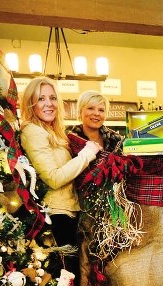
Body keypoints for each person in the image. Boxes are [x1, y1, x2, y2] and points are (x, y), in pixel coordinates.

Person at [19, 77, 101, 254]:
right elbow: (53, 178)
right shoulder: (33, 131)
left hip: (68, 212)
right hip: (56, 215)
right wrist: (87, 154)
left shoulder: (53, 131)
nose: (49, 103)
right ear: (30, 103)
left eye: (53, 98)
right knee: (67, 276)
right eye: (41, 98)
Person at [69, 90, 124, 154]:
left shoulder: (118, 141)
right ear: (80, 111)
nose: (96, 113)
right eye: (90, 108)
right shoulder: (68, 142)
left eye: (101, 110)